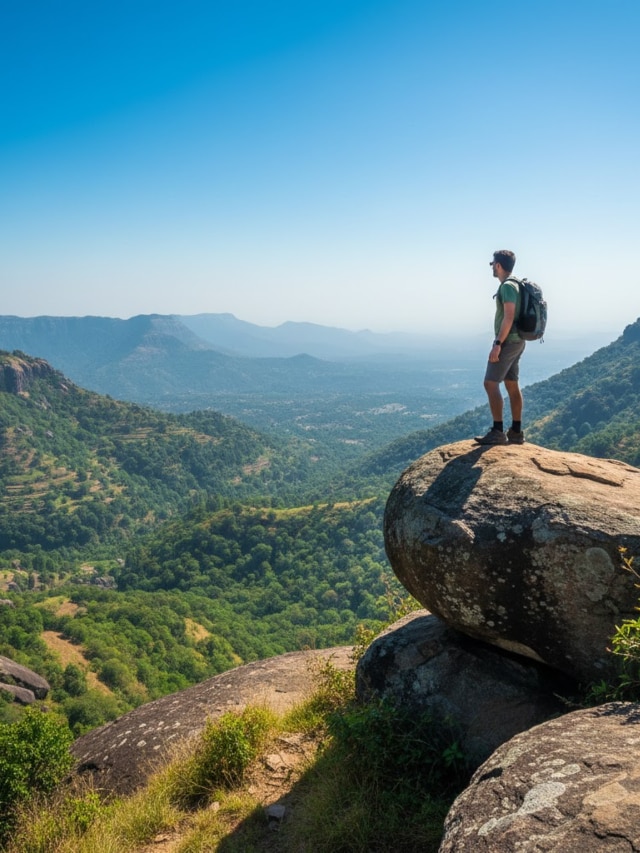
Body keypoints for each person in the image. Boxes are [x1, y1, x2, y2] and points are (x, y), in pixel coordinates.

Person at [474, 249, 526, 446]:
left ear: (498, 265)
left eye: (492, 264)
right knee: (511, 383)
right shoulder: (518, 284)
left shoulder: (507, 287)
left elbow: (509, 316)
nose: (492, 268)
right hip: (518, 340)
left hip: (508, 341)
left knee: (490, 383)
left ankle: (498, 431)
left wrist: (497, 344)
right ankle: (516, 432)